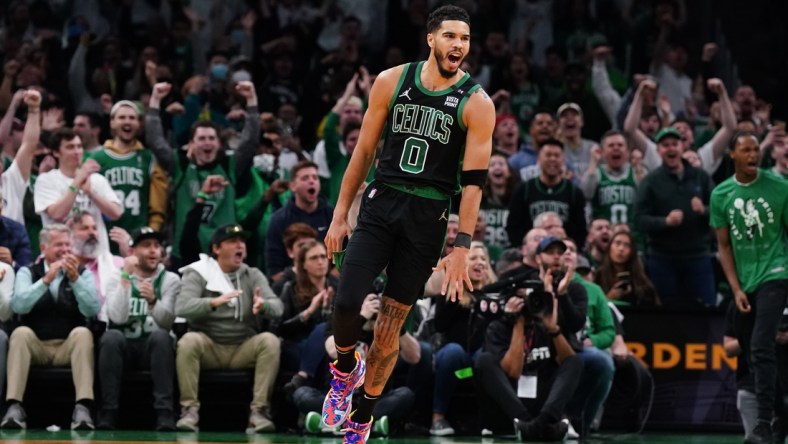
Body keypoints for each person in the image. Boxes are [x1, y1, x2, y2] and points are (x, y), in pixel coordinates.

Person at [320, 5, 495, 443]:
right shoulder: (391, 80)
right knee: (346, 303)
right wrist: (340, 214)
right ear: (431, 39)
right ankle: (344, 368)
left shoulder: (477, 102)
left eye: (466, 38)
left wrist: (460, 248)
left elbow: (472, 186)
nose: (459, 45)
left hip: (429, 217)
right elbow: (362, 152)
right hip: (382, 203)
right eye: (451, 36)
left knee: (390, 326)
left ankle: (361, 417)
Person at [710, 131, 788, 444]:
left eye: (756, 149)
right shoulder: (721, 194)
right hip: (745, 281)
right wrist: (736, 288)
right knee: (752, 349)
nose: (753, 155)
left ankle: (763, 425)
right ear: (732, 155)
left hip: (777, 272)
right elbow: (724, 247)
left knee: (759, 344)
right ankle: (783, 415)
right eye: (745, 150)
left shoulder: (780, 187)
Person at [174, 224, 283, 433]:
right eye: (233, 242)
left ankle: (259, 412)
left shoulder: (252, 274)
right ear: (216, 248)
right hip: (210, 346)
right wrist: (212, 303)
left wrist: (264, 305)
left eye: (242, 241)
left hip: (242, 347)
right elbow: (182, 306)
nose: (240, 245)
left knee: (270, 341)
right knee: (187, 342)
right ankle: (189, 410)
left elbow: (278, 307)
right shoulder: (199, 273)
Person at [1, 224, 100, 430]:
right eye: (58, 245)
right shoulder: (28, 272)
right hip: (37, 346)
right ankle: (14, 406)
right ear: (43, 247)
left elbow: (92, 309)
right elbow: (19, 305)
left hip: (68, 346)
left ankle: (82, 407)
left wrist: (75, 279)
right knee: (20, 333)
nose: (65, 250)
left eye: (67, 244)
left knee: (83, 333)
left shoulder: (82, 273)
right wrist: (46, 280)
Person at [97, 227, 180, 430]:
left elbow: (168, 322)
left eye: (156, 246)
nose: (153, 250)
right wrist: (126, 278)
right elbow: (116, 317)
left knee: (162, 337)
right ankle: (108, 412)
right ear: (132, 252)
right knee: (111, 338)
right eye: (146, 245)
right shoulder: (116, 277)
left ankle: (165, 413)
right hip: (124, 349)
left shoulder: (170, 280)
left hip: (152, 349)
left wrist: (153, 302)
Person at [633, 127, 715, 308]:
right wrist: (664, 222)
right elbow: (638, 219)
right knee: (666, 314)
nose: (671, 149)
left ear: (682, 147)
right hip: (662, 259)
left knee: (707, 312)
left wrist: (704, 210)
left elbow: (721, 210)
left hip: (698, 256)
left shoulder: (701, 177)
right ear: (658, 150)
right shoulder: (651, 181)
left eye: (675, 144)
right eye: (665, 145)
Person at [424, 241, 496, 436]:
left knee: (486, 357)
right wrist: (456, 289)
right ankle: (437, 418)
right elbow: (439, 326)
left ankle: (490, 419)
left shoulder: (495, 295)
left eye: (483, 259)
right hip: (458, 366)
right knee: (453, 352)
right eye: (473, 258)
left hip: (478, 364)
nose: (479, 263)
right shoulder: (450, 290)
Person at [89, 100, 168, 247]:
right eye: (122, 117)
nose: (127, 121)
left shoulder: (148, 158)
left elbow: (158, 204)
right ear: (112, 123)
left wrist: (152, 230)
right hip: (104, 237)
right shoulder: (97, 158)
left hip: (138, 236)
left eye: (132, 118)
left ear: (139, 124)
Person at [34, 128, 123, 255]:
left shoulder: (96, 180)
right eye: (70, 147)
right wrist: (77, 182)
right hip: (62, 256)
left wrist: (91, 192)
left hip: (97, 256)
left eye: (79, 146)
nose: (77, 152)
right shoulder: (46, 180)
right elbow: (57, 214)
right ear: (56, 152)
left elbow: (116, 213)